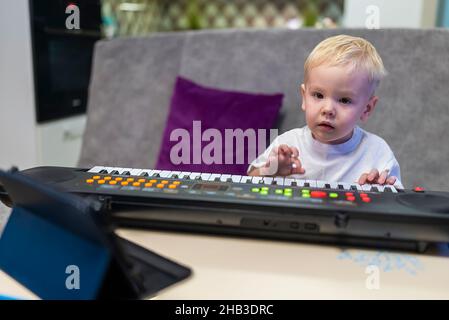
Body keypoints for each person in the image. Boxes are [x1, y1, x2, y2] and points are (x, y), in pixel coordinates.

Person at [248, 34, 402, 188]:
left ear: (367, 109)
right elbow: (249, 182)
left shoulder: (377, 152)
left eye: (344, 100)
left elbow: (396, 204)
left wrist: (379, 192)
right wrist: (272, 171)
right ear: (304, 97)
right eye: (318, 95)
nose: (328, 110)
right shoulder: (286, 144)